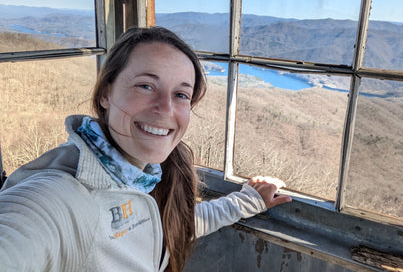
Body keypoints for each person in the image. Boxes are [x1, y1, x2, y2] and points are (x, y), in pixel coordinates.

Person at [0, 27, 291, 272]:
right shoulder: (62, 194)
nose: (165, 108)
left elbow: (167, 228)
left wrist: (248, 201)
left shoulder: (144, 175)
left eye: (180, 94)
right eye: (146, 86)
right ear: (105, 93)